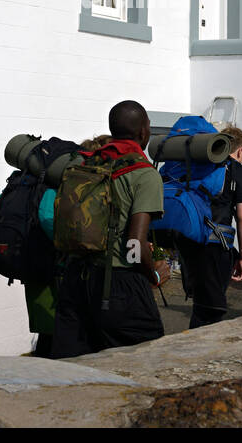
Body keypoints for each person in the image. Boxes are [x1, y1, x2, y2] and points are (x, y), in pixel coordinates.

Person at [51, 101, 171, 358]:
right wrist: (155, 276)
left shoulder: (84, 163)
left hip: (75, 280)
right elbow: (135, 246)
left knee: (75, 368)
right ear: (143, 132)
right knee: (146, 362)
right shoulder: (143, 174)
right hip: (119, 286)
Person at [23, 133, 110, 358]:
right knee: (65, 336)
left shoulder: (57, 181)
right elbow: (48, 216)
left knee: (51, 335)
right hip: (58, 269)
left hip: (42, 266)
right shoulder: (68, 183)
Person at [172, 124, 242, 327]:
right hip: (215, 244)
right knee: (210, 311)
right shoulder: (237, 171)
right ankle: (196, 354)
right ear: (240, 150)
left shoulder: (199, 164)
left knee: (201, 303)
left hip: (188, 240)